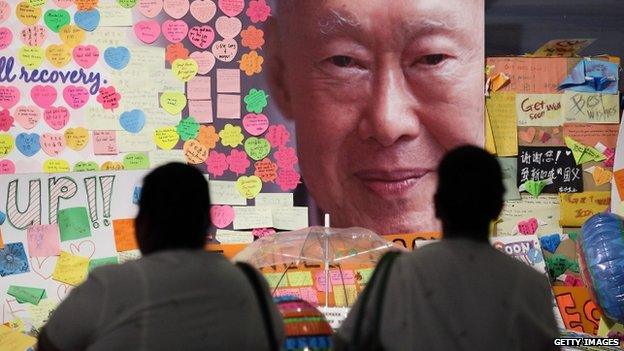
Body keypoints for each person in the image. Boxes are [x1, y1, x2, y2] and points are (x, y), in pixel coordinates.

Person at [266, 0, 485, 235]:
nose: (388, 124)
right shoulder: (241, 263)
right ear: (281, 79)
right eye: (343, 61)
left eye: (433, 58)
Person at [334, 146, 560, 351]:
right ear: (497, 207)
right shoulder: (531, 286)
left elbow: (345, 344)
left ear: (439, 204)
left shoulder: (395, 274)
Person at [38, 163, 284, 351]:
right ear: (207, 223)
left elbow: (49, 345)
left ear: (142, 224)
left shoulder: (110, 286)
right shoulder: (251, 284)